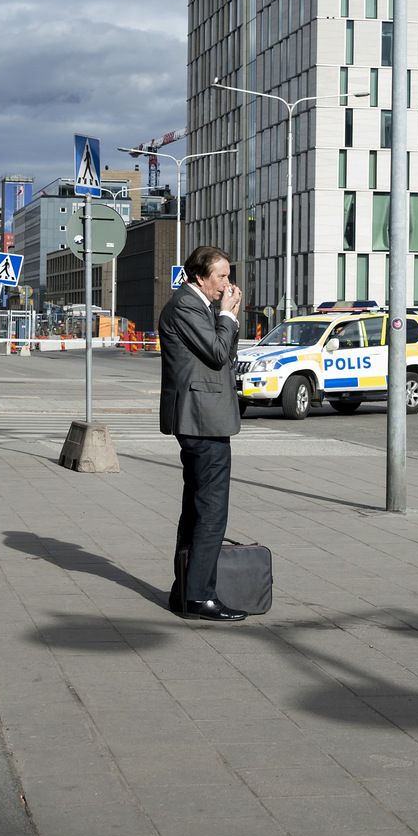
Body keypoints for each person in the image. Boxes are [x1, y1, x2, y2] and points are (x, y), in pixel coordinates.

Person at [158, 245, 247, 622]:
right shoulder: (186, 305)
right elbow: (215, 352)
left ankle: (185, 590)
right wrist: (227, 315)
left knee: (196, 508)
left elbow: (223, 355)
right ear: (198, 276)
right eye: (221, 276)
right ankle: (198, 597)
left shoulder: (199, 305)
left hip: (201, 417)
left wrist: (226, 316)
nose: (228, 283)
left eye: (228, 275)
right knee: (210, 510)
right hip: (202, 419)